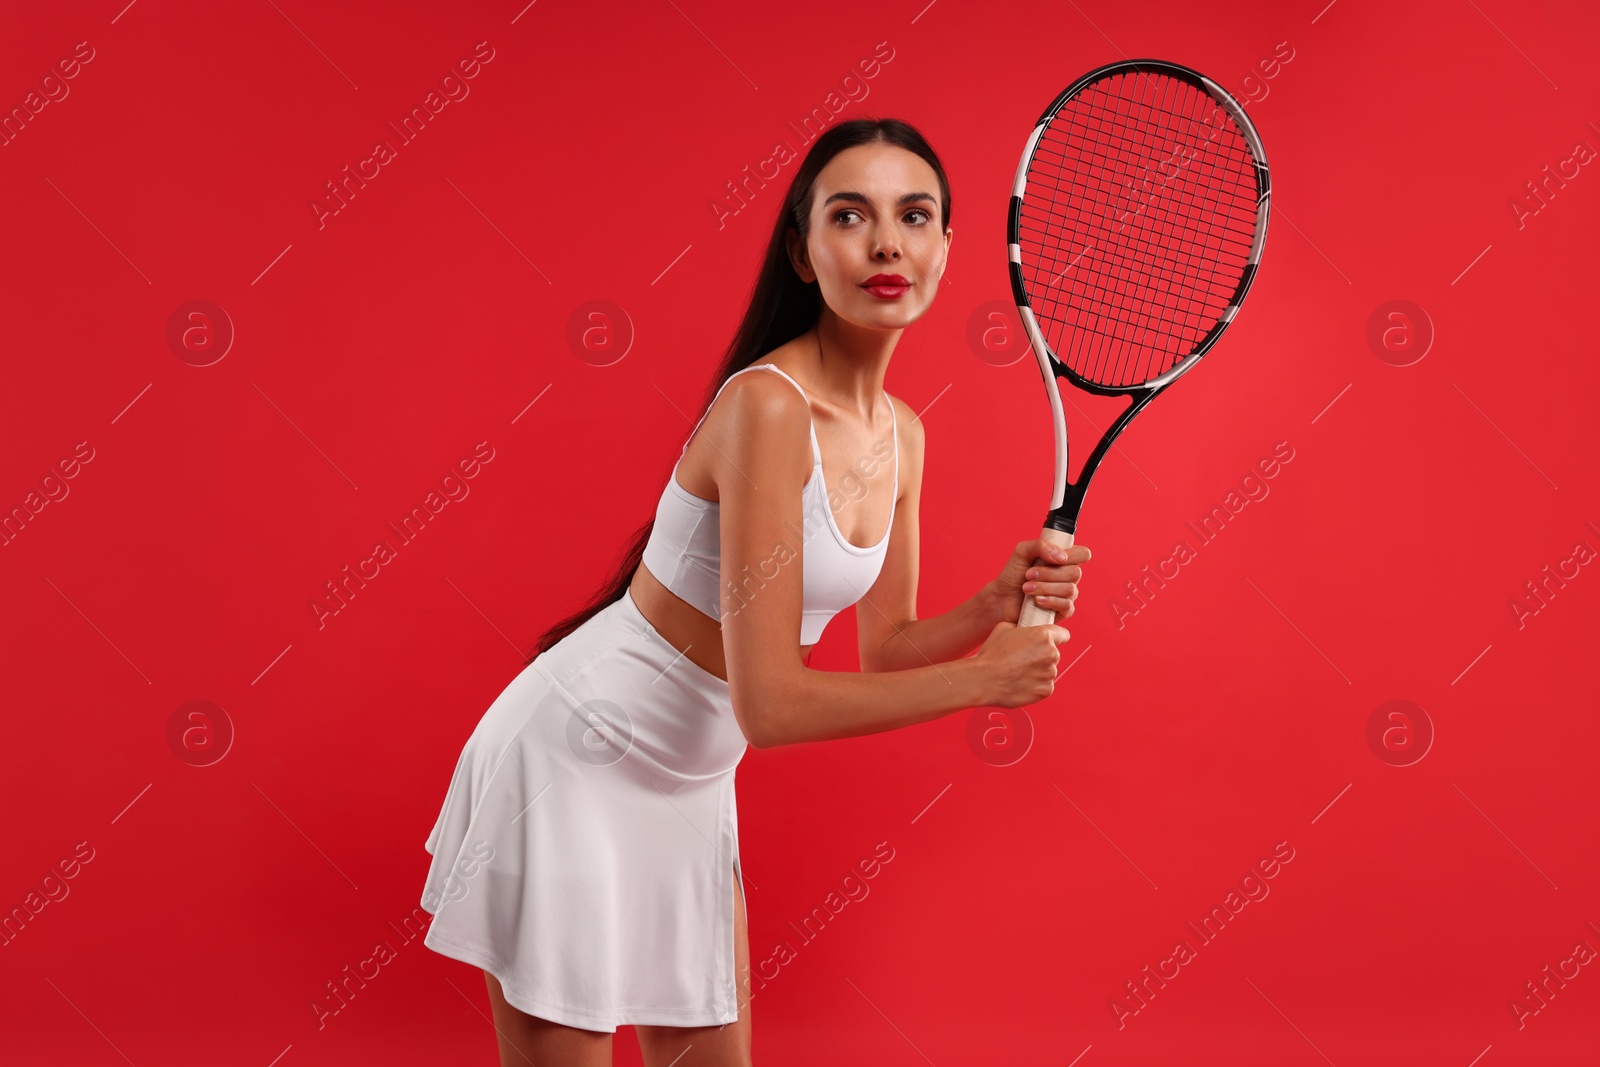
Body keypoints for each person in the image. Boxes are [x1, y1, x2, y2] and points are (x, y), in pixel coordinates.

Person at [417, 116, 1091, 1067]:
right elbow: (770, 703)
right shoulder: (767, 406)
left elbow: (884, 645)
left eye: (916, 215)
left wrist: (989, 606)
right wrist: (987, 681)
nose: (887, 242)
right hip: (572, 761)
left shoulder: (904, 433)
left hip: (691, 784)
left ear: (946, 248)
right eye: (850, 215)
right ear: (803, 253)